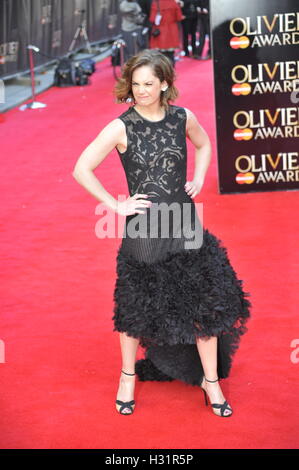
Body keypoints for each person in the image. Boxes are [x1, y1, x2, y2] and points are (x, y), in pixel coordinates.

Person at [72, 49, 251, 417]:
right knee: (135, 310)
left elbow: (203, 144)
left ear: (165, 84)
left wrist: (199, 178)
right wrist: (116, 203)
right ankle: (126, 378)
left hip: (185, 224)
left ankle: (211, 383)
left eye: (148, 85)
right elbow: (82, 168)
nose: (140, 91)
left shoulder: (183, 118)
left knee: (205, 305)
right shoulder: (121, 126)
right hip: (146, 231)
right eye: (135, 85)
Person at [149, 0, 183, 67]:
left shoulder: (156, 3)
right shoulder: (173, 3)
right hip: (172, 31)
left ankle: (162, 71)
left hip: (160, 31)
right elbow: (179, 17)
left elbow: (152, 19)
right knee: (171, 54)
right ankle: (171, 70)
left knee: (160, 55)